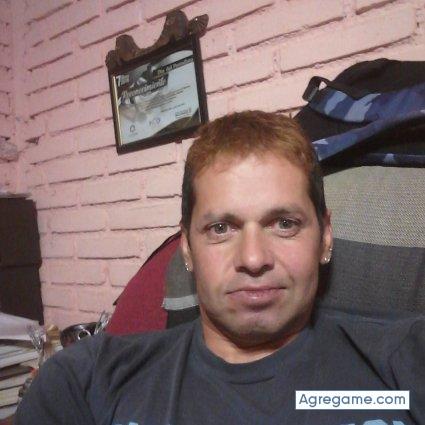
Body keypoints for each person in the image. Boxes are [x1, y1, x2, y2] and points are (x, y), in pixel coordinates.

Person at [15, 111, 424, 425]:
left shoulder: (405, 362)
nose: (253, 259)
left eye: (284, 223)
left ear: (326, 237)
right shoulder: (86, 382)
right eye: (221, 228)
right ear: (187, 248)